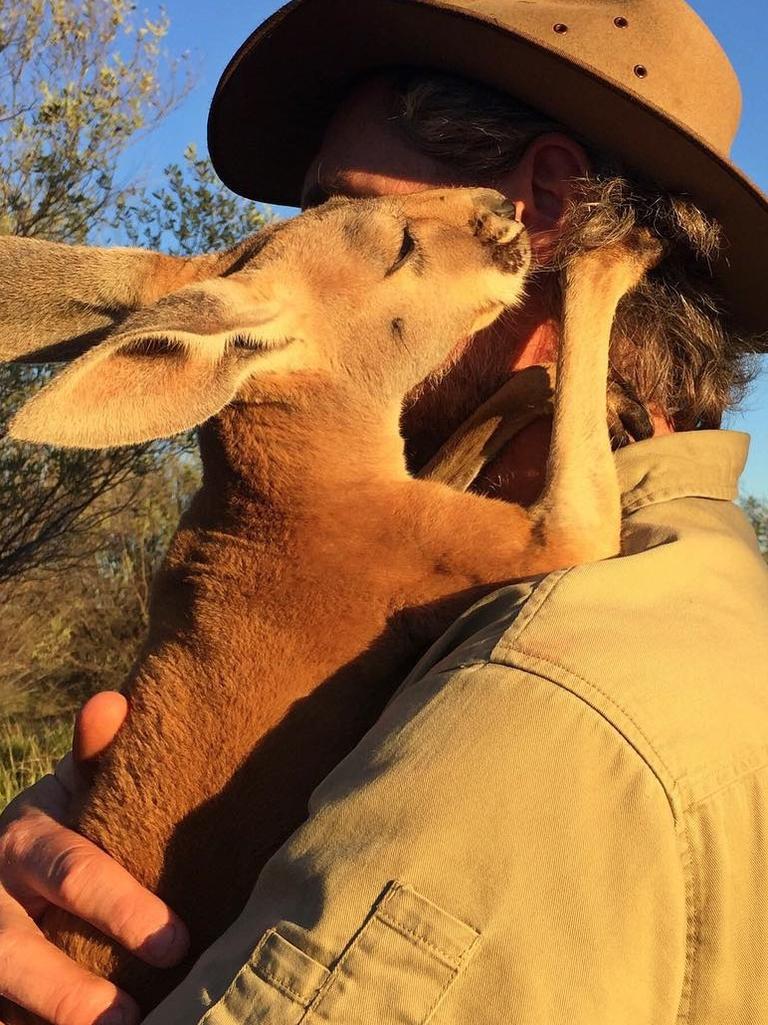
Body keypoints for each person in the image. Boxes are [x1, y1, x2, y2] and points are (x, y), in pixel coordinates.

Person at [1, 1, 767, 1023]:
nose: (292, 250)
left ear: (541, 212)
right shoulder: (586, 606)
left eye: (345, 211)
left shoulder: (544, 695)